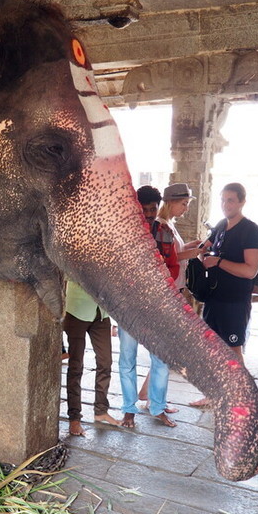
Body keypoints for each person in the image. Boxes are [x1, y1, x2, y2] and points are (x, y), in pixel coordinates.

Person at [191, 182, 258, 407]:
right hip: (214, 298)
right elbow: (204, 247)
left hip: (234, 302)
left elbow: (250, 270)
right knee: (212, 350)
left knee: (233, 351)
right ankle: (213, 395)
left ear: (242, 201)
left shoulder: (252, 231)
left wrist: (219, 262)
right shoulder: (221, 226)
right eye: (223, 200)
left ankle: (241, 398)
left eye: (230, 200)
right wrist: (199, 251)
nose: (225, 205)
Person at [118, 185, 180, 429]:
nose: (149, 213)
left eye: (153, 208)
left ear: (158, 207)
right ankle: (128, 410)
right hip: (129, 307)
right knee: (127, 360)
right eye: (144, 209)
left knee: (161, 360)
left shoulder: (164, 231)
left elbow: (174, 267)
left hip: (157, 306)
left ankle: (157, 407)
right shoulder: (124, 234)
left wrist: (165, 274)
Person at [63, 280, 122, 436]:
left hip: (101, 313)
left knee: (106, 362)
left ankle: (101, 410)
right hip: (77, 310)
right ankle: (74, 418)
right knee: (76, 366)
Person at [157, 182, 206, 292]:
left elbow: (172, 251)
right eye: (184, 204)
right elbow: (164, 259)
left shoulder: (168, 223)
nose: (187, 209)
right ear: (170, 202)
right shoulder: (161, 225)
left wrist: (188, 246)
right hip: (169, 285)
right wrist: (189, 254)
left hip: (176, 283)